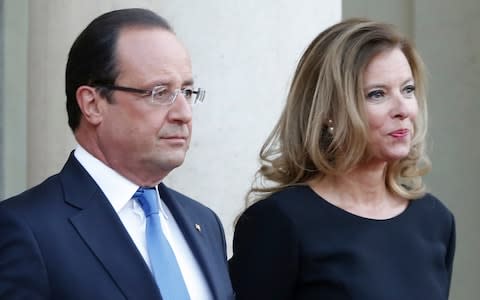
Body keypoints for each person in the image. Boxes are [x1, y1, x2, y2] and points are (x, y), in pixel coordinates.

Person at [0, 8, 234, 300]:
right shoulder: (26, 229)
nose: (183, 114)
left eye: (187, 92)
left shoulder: (204, 223)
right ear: (93, 104)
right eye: (159, 93)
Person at [229, 18, 455, 300]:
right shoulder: (278, 222)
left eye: (407, 90)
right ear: (328, 113)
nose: (403, 109)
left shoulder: (435, 220)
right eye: (377, 94)